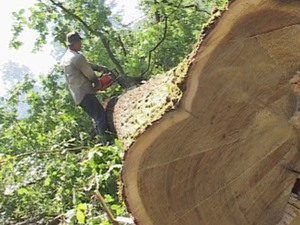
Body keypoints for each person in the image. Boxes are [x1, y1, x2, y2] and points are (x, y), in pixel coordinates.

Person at [61, 31, 110, 144]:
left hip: (78, 94)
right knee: (100, 117)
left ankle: (101, 141)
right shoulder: (76, 57)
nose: (81, 44)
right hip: (84, 92)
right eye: (79, 42)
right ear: (75, 43)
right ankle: (106, 143)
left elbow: (86, 65)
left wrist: (100, 68)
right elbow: (89, 73)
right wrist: (97, 83)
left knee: (96, 117)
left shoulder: (68, 57)